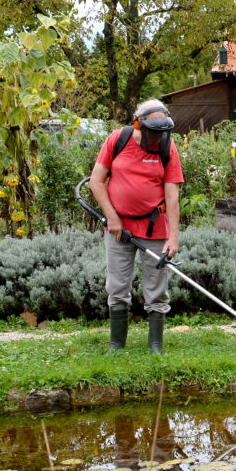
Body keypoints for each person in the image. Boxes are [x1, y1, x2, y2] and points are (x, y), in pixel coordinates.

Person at [90, 99, 184, 354]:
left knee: (156, 289)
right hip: (118, 227)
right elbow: (96, 181)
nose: (157, 139)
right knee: (117, 286)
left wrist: (173, 238)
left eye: (162, 133)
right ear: (138, 125)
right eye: (153, 133)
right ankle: (116, 346)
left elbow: (172, 195)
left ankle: (155, 345)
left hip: (154, 228)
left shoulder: (167, 146)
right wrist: (112, 216)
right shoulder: (117, 140)